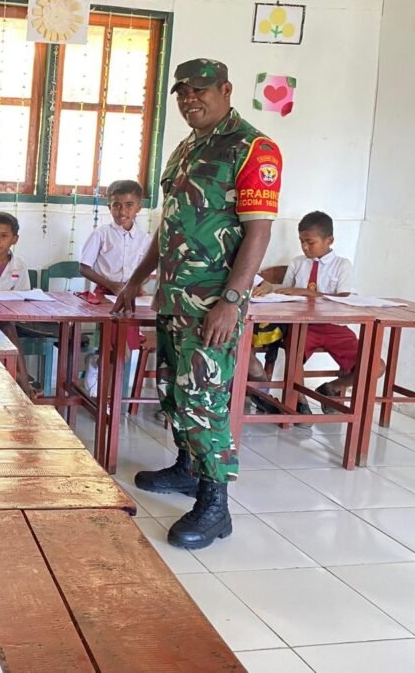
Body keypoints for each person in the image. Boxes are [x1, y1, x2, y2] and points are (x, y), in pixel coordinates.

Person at [113, 58, 281, 550]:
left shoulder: (253, 147)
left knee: (204, 399)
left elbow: (259, 230)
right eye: (183, 92)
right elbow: (170, 226)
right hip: (173, 298)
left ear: (226, 89)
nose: (191, 99)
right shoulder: (187, 148)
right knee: (173, 388)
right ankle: (188, 469)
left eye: (201, 90)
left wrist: (231, 300)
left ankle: (215, 505)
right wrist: (137, 280)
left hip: (213, 304)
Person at [271, 210, 378, 412]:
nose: (304, 247)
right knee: (294, 356)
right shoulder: (298, 263)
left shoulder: (342, 265)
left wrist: (304, 292)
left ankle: (331, 388)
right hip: (304, 326)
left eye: (310, 242)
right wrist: (276, 290)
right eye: (301, 241)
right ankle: (300, 403)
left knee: (375, 366)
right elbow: (285, 294)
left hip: (335, 327)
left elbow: (342, 298)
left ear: (329, 240)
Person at [79, 180, 153, 296]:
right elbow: (84, 268)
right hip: (104, 292)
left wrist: (135, 285)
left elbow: (148, 270)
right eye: (116, 205)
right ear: (109, 207)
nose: (122, 212)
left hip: (134, 292)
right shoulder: (101, 234)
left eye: (129, 205)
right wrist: (111, 285)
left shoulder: (145, 239)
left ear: (138, 208)